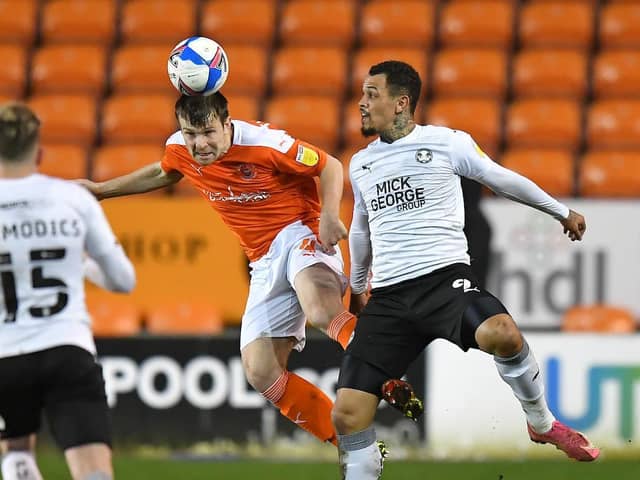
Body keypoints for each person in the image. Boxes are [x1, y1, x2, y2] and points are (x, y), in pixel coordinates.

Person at [76, 93, 413, 446]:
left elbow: (327, 165)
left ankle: (381, 372)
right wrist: (100, 190)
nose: (199, 144)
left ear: (226, 124)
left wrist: (330, 215)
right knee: (260, 372)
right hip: (262, 259)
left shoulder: (265, 143)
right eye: (190, 134)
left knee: (319, 307)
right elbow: (165, 171)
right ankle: (353, 445)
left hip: (302, 230)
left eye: (208, 132)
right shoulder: (179, 149)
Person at [331, 61, 600, 478]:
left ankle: (542, 424)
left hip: (444, 282)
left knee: (504, 334)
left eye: (372, 94)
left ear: (401, 103)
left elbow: (502, 178)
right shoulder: (361, 163)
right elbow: (361, 230)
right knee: (347, 415)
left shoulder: (447, 143)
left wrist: (560, 211)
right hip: (389, 297)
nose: (361, 103)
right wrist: (358, 287)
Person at [0, 103, 136, 480]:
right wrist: (81, 261)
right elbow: (123, 281)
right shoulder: (72, 199)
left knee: (15, 448)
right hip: (67, 350)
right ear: (39, 153)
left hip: (5, 356)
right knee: (92, 469)